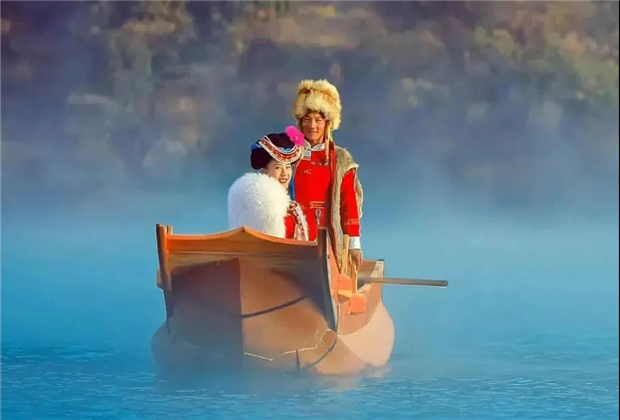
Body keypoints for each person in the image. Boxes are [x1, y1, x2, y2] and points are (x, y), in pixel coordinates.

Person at [291, 79, 364, 270]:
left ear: (328, 123)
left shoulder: (340, 159)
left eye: (318, 120)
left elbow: (349, 205)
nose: (312, 125)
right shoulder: (289, 155)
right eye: (307, 119)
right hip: (292, 238)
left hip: (326, 241)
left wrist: (354, 245)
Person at [227, 131, 309, 241]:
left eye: (288, 167)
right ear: (265, 170)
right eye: (278, 167)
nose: (285, 173)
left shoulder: (287, 202)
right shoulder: (261, 202)